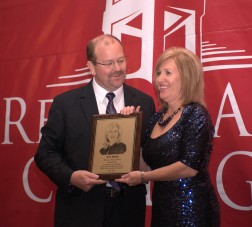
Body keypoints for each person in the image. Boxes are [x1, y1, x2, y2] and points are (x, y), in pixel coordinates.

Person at [34, 34, 155, 227]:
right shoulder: (66, 104)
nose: (117, 68)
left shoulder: (144, 102)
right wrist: (72, 177)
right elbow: (45, 154)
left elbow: (152, 156)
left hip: (128, 210)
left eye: (121, 60)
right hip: (80, 209)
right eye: (108, 63)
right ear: (91, 67)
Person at [117, 47, 220, 226]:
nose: (159, 79)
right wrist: (129, 127)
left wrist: (143, 178)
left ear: (187, 78)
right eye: (158, 73)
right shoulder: (157, 117)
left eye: (168, 73)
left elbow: (188, 167)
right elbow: (143, 165)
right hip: (162, 207)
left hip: (192, 210)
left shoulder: (196, 114)